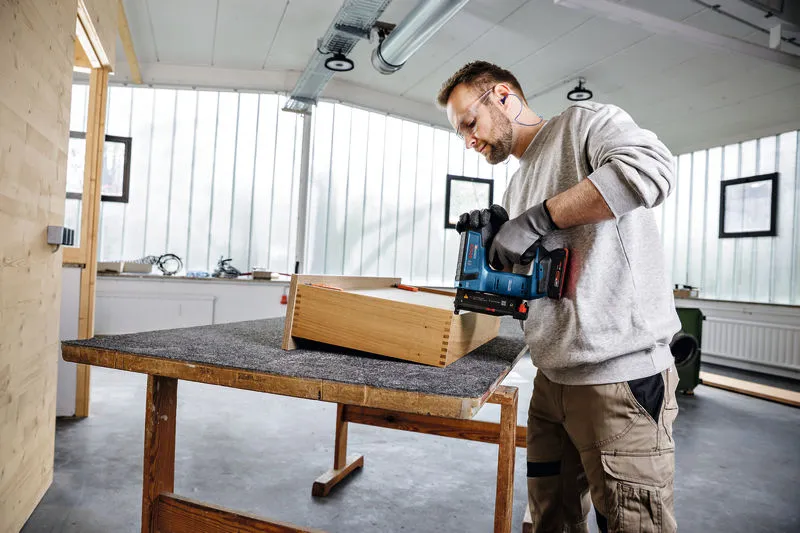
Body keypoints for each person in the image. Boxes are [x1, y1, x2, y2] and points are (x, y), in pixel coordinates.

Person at [437, 61, 681, 532]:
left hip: (617, 381)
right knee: (550, 518)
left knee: (632, 524)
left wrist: (539, 218)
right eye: (460, 133)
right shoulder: (516, 181)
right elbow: (535, 290)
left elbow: (651, 170)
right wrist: (489, 265)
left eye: (470, 122)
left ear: (504, 96)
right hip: (551, 381)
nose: (468, 139)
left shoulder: (585, 125)